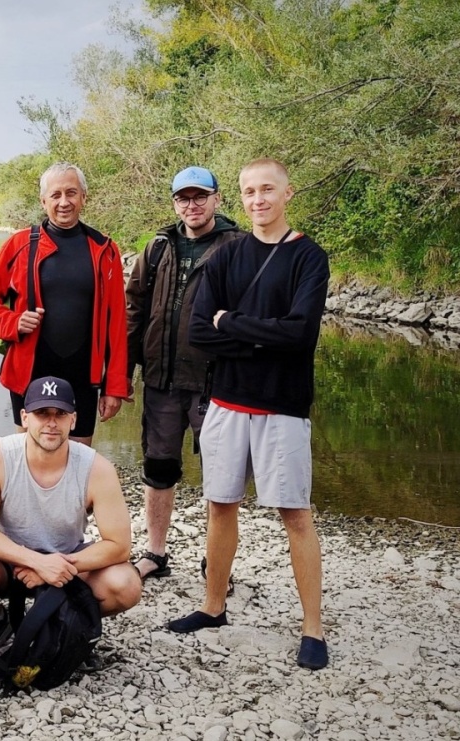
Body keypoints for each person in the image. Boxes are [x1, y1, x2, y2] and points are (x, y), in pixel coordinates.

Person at [169, 158, 331, 671]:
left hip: (282, 405)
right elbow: (199, 332)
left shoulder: (309, 258)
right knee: (220, 504)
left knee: (295, 513)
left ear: (287, 192)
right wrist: (262, 335)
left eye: (267, 190)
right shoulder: (227, 256)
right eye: (249, 192)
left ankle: (313, 629)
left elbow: (301, 334)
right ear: (239, 198)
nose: (258, 200)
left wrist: (233, 324)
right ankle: (212, 606)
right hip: (227, 402)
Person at [0, 376, 141, 667]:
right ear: (24, 417)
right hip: (8, 562)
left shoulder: (97, 468)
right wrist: (34, 561)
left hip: (68, 562)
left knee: (126, 584)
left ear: (73, 420)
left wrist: (57, 565)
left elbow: (119, 546)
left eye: (60, 414)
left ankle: (68, 625)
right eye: (42, 413)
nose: (51, 422)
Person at [124, 167, 244, 580]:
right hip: (161, 379)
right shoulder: (158, 246)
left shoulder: (238, 246)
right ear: (174, 202)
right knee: (158, 467)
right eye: (183, 198)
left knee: (221, 475)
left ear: (217, 199)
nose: (191, 205)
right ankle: (156, 554)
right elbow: (134, 308)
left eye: (200, 197)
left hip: (215, 382)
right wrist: (123, 370)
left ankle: (218, 562)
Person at [0, 162, 128, 443]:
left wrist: (115, 386)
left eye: (72, 193)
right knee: (28, 458)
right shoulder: (20, 244)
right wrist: (12, 322)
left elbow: (118, 323)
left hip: (83, 373)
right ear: (43, 200)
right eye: (56, 194)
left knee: (78, 461)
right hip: (29, 368)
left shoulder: (105, 249)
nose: (64, 202)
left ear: (84, 197)